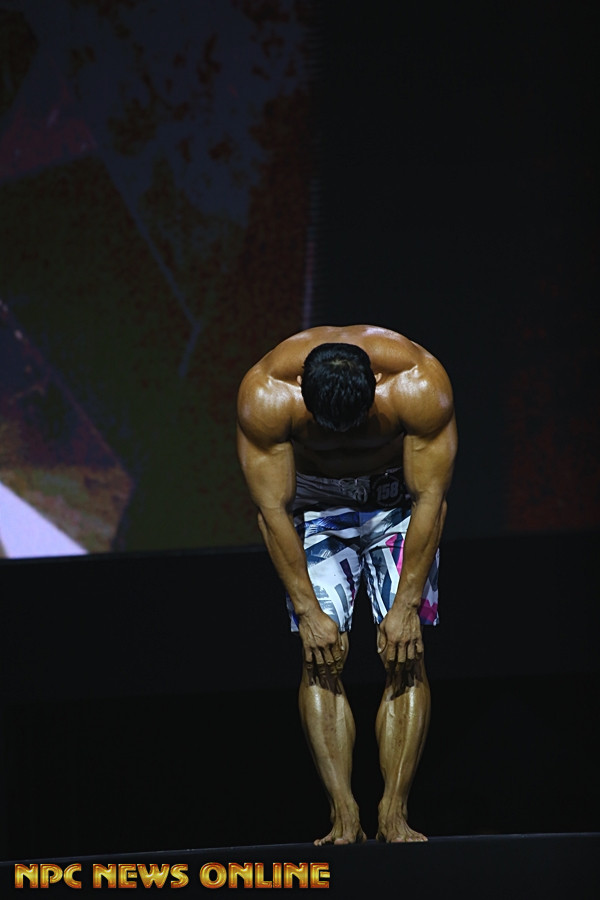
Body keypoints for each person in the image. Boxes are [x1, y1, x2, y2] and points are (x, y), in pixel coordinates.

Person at [236, 324, 457, 845]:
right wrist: (307, 612)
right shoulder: (266, 395)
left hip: (396, 505)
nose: (341, 436)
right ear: (302, 394)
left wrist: (406, 608)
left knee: (405, 653)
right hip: (316, 510)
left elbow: (431, 499)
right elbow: (272, 511)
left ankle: (394, 811)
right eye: (327, 426)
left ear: (376, 384)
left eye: (354, 424)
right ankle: (343, 812)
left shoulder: (418, 384)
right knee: (320, 655)